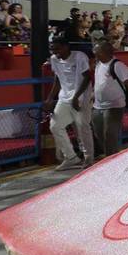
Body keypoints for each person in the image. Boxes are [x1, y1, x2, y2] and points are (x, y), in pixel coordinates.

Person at [44, 38, 94, 170]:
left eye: (57, 48)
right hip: (64, 97)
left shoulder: (79, 56)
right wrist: (49, 99)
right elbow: (58, 79)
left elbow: (87, 77)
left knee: (82, 127)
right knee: (55, 126)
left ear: (66, 47)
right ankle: (71, 157)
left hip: (82, 97)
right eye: (53, 49)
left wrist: (76, 96)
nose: (55, 52)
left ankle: (89, 158)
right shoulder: (54, 59)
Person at [91, 41, 128, 157]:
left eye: (97, 53)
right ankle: (109, 155)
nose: (95, 55)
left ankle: (111, 158)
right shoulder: (98, 64)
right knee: (99, 132)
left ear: (106, 52)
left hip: (114, 106)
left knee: (110, 134)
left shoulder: (118, 65)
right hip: (98, 105)